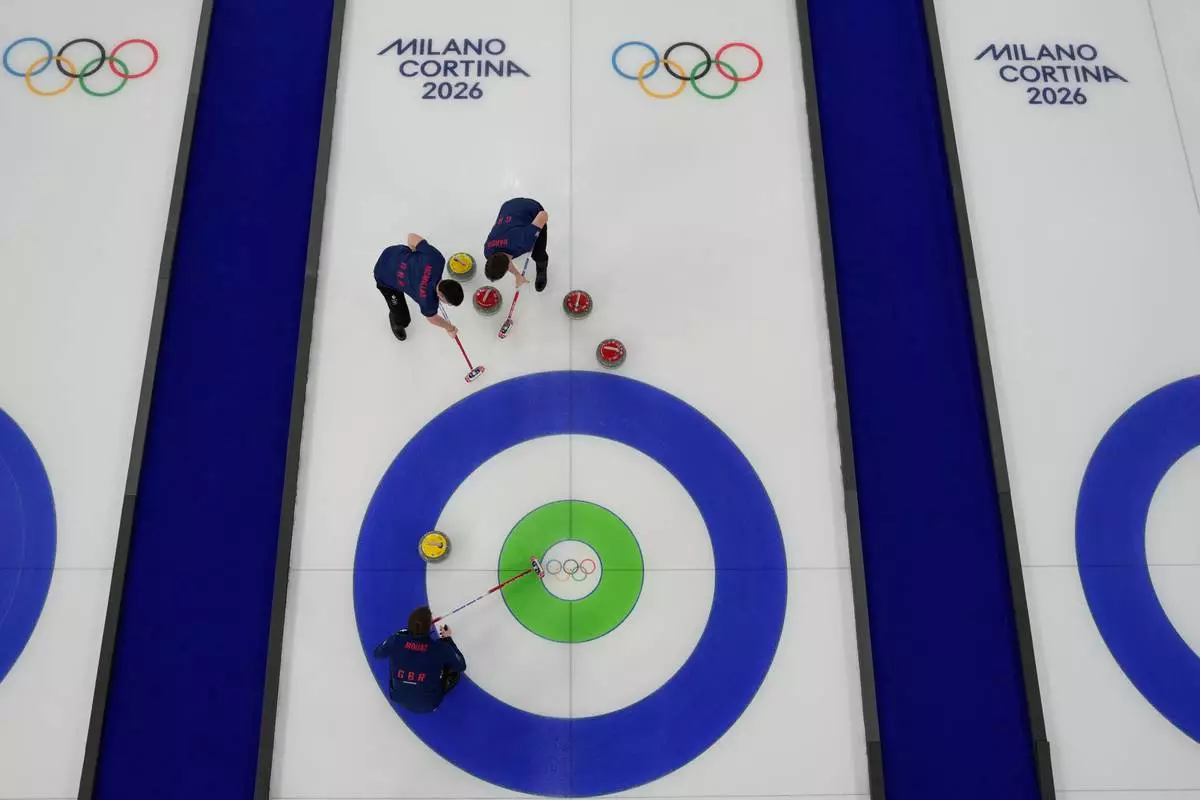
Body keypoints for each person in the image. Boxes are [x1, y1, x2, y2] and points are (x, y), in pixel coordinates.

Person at [373, 606, 467, 713]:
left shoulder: (396, 640)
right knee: (454, 674)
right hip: (429, 703)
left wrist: (399, 635)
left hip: (397, 697)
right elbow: (461, 665)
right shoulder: (439, 648)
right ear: (429, 628)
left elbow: (378, 653)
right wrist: (448, 640)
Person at [374, 234, 464, 342]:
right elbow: (433, 319)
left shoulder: (437, 259)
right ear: (441, 296)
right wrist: (451, 328)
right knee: (404, 320)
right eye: (448, 303)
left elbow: (411, 237)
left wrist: (413, 256)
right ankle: (396, 319)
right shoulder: (428, 302)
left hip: (392, 252)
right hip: (384, 276)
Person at [483, 198, 550, 292]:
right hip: (507, 206)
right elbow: (504, 259)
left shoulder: (523, 241)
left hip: (530, 208)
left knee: (538, 253)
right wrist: (517, 275)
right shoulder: (487, 251)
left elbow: (543, 215)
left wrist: (535, 232)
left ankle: (541, 270)